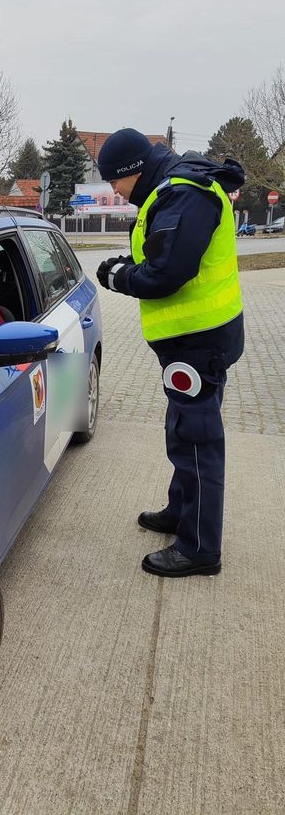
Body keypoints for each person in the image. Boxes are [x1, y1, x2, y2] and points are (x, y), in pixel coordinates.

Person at [95, 128, 245, 578]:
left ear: (131, 171)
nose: (115, 193)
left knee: (197, 441)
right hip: (192, 343)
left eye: (114, 183)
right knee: (184, 432)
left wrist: (119, 276)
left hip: (199, 343)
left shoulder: (185, 194)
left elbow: (166, 274)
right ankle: (182, 512)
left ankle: (199, 548)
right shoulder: (172, 188)